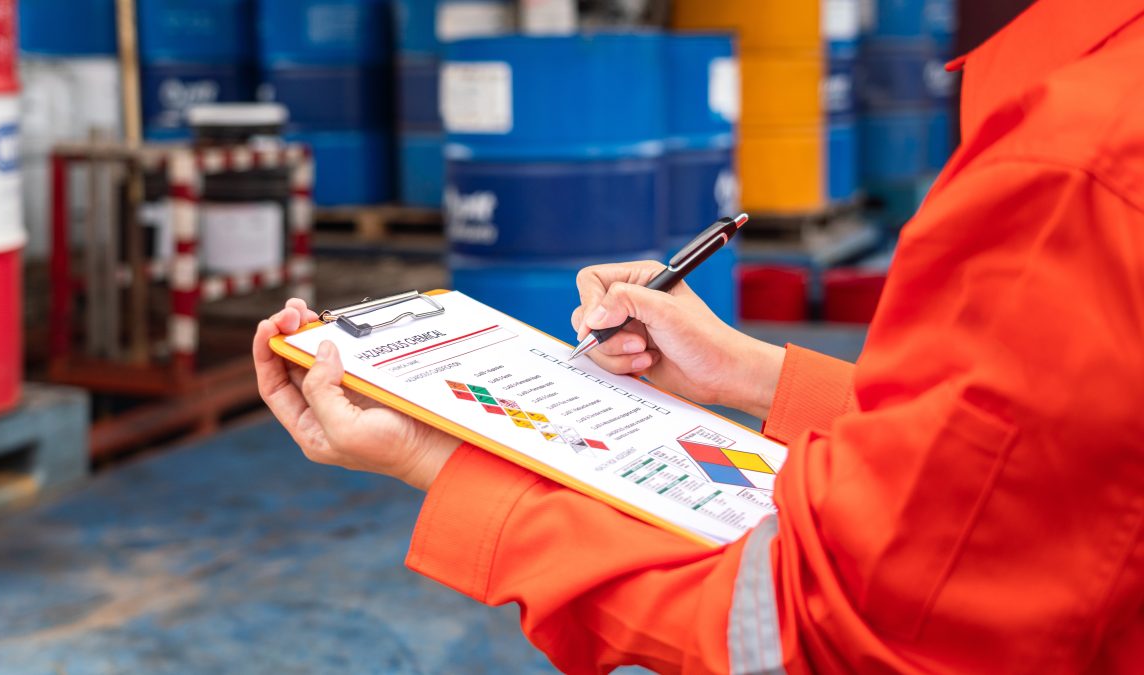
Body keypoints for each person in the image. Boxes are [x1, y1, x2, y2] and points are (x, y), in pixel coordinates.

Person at [253, 0, 1144, 672]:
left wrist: (437, 460)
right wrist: (750, 376)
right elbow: (1046, 460)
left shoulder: (1074, 169)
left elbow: (822, 632)